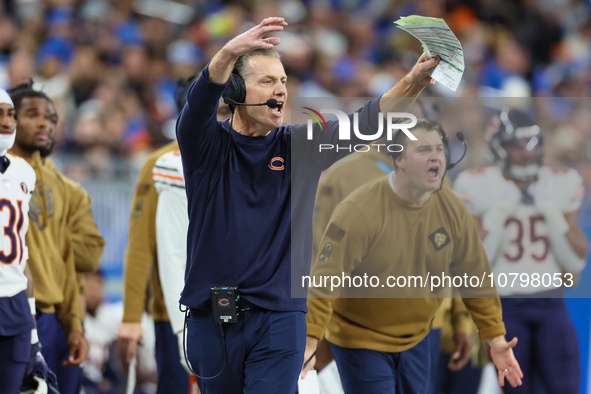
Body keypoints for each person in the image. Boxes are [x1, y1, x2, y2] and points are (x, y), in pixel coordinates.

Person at [176, 16, 440, 393]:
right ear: (235, 90)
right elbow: (198, 105)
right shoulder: (205, 145)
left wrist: (414, 79)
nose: (281, 90)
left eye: (283, 81)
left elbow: (368, 121)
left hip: (280, 319)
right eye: (267, 81)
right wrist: (228, 52)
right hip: (212, 317)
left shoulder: (300, 146)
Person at [302, 119, 523, 393]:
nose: (435, 157)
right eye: (423, 150)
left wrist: (495, 338)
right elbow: (326, 277)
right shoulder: (359, 210)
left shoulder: (451, 207)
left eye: (439, 149)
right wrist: (311, 337)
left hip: (419, 335)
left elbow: (475, 274)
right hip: (360, 337)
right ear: (399, 160)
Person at [453, 108, 588, 394]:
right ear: (498, 147)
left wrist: (551, 213)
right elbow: (475, 261)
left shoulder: (560, 181)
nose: (527, 154)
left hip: (551, 300)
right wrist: (499, 213)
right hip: (504, 305)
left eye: (532, 144)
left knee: (565, 387)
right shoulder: (474, 183)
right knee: (515, 390)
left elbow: (575, 262)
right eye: (516, 145)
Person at [117, 75, 229, 394]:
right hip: (175, 309)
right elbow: (141, 246)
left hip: (230, 303)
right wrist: (131, 316)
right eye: (217, 111)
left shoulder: (239, 157)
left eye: (226, 111)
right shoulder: (161, 165)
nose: (226, 120)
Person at [9, 82, 105, 394]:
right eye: (32, 114)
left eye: (51, 118)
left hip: (56, 316)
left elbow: (85, 259)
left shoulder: (68, 189)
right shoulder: (6, 177)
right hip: (15, 309)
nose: (44, 123)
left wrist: (75, 325)